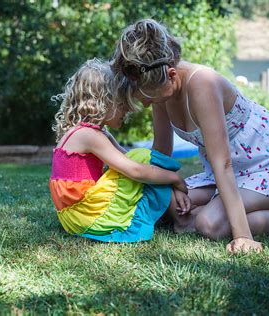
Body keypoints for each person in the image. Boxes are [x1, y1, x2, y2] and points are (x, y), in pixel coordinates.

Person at [111, 19, 269, 253]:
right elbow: (161, 152)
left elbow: (222, 163)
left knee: (209, 224)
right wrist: (168, 190)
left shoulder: (202, 84)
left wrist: (242, 236)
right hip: (235, 173)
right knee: (171, 205)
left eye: (147, 95)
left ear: (172, 74)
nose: (145, 103)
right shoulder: (160, 89)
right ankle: (213, 215)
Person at [49, 58, 191, 242]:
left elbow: (129, 161)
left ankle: (175, 211)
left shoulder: (94, 133)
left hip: (77, 216)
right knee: (142, 156)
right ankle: (182, 221)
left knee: (140, 160)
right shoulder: (88, 135)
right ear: (104, 101)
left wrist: (171, 185)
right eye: (123, 104)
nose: (127, 111)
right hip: (87, 215)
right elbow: (136, 169)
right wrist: (175, 179)